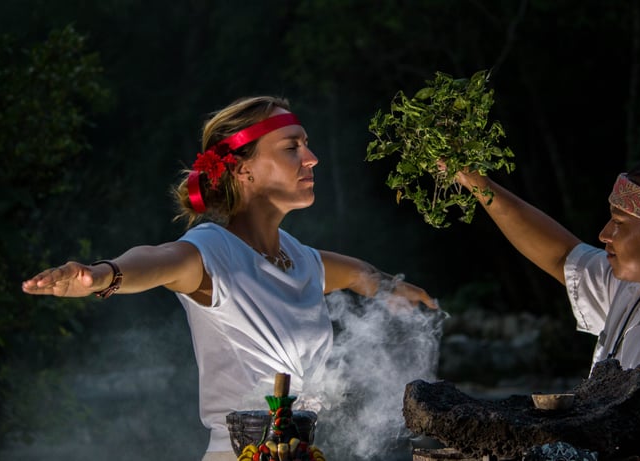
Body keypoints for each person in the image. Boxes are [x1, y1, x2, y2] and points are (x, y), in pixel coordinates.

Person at [21, 95, 438, 461]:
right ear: (243, 170)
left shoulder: (299, 259)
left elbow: (358, 273)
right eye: (292, 147)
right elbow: (158, 259)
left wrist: (390, 287)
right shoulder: (213, 252)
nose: (311, 158)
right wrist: (102, 275)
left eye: (306, 145)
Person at [451, 155, 640, 461]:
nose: (604, 234)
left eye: (619, 223)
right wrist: (475, 181)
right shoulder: (636, 286)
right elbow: (561, 256)